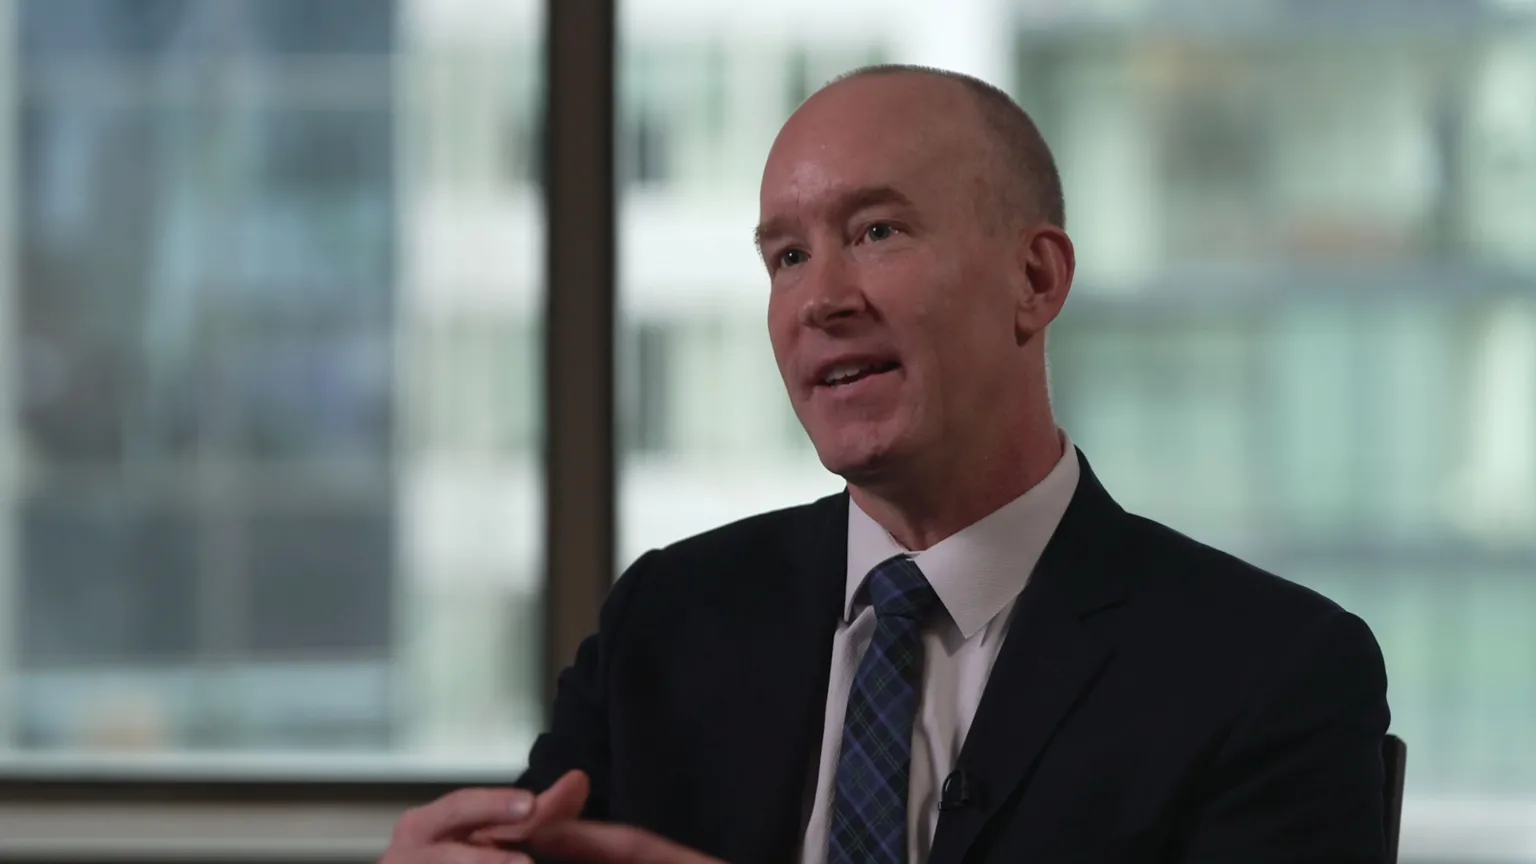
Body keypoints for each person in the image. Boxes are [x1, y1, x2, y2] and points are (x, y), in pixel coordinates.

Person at [379, 64, 1392, 864]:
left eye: (875, 231)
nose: (821, 298)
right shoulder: (667, 621)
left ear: (1034, 280)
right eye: (785, 255)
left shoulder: (1272, 673)